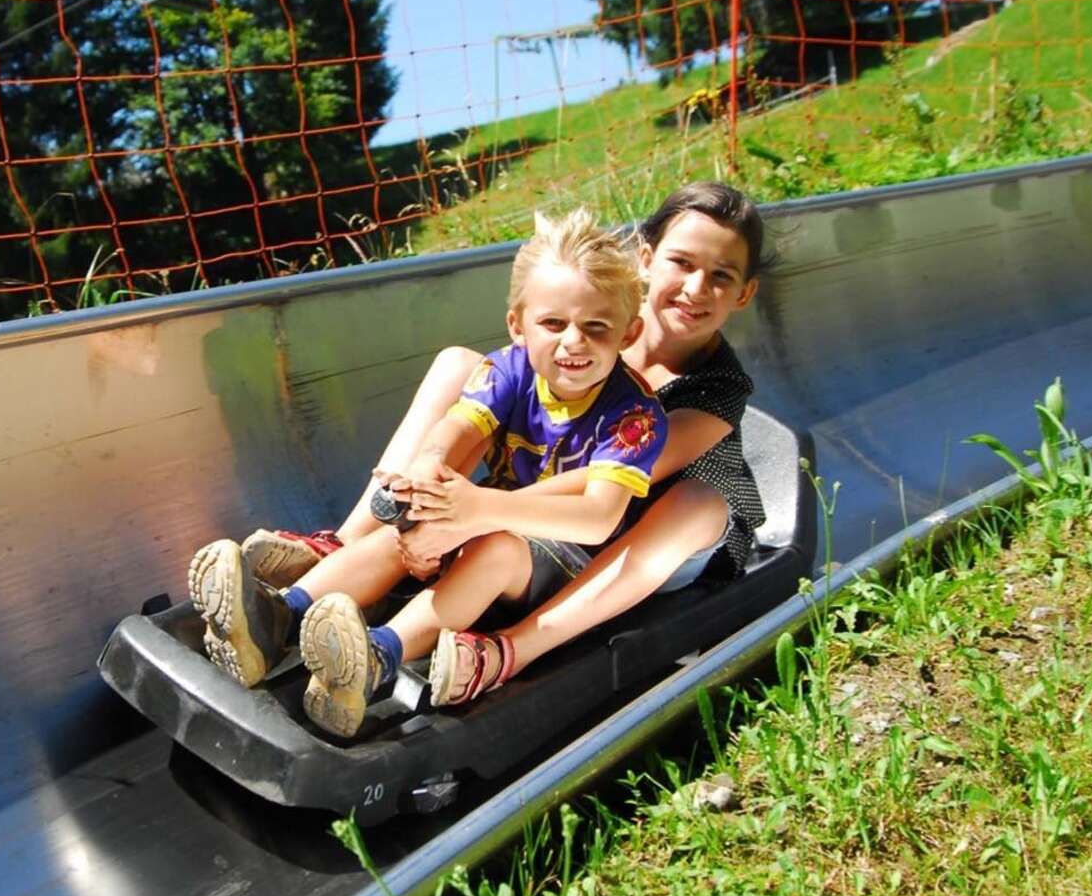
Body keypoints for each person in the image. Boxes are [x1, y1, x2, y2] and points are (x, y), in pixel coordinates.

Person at [241, 181, 773, 706]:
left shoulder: (716, 386)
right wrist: (431, 487)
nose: (697, 288)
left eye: (721, 276)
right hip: (535, 501)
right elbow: (492, 399)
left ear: (744, 293)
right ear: (647, 260)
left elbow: (604, 490)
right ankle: (351, 538)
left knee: (699, 503)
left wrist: (474, 512)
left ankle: (516, 648)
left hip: (648, 530)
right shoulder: (588, 329)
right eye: (682, 263)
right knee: (459, 364)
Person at [187, 207, 667, 738]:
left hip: (566, 562)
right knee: (403, 534)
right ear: (518, 326)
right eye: (553, 324)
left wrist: (476, 511)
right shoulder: (508, 369)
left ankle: (375, 657)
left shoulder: (634, 415)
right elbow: (456, 431)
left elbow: (599, 518)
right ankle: (277, 617)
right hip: (487, 518)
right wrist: (423, 486)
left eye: (596, 327)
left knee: (496, 548)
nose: (573, 342)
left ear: (629, 333)